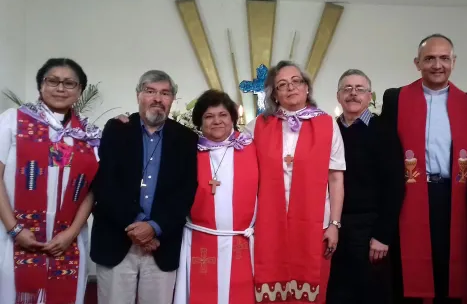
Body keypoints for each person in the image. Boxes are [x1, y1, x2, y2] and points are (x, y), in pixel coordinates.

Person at [381, 34, 467, 303]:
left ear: (453, 61)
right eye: (429, 58)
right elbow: (387, 149)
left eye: (443, 58)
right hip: (409, 194)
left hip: (454, 196)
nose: (437, 65)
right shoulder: (395, 99)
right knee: (409, 268)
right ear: (417, 63)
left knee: (449, 264)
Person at [90, 70, 198, 304]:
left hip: (162, 243)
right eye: (150, 91)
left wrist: (155, 227)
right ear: (138, 95)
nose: (157, 98)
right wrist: (138, 225)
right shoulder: (116, 130)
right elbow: (105, 183)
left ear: (172, 100)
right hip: (117, 239)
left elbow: (186, 190)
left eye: (165, 93)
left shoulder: (186, 138)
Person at [244, 60, 345, 303]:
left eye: (296, 81)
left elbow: (336, 177)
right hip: (268, 224)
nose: (291, 88)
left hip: (315, 223)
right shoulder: (257, 126)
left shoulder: (327, 124)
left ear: (307, 87)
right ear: (274, 94)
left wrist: (334, 224)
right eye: (282, 85)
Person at [0, 58, 100, 304]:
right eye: (52, 81)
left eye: (69, 83)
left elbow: (92, 190)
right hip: (15, 236)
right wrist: (14, 228)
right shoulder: (14, 120)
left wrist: (72, 233)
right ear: (40, 86)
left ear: (79, 90)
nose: (60, 88)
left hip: (68, 242)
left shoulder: (89, 135)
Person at [173, 89, 258, 304]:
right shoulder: (188, 151)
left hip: (242, 241)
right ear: (200, 122)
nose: (217, 121)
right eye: (209, 116)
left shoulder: (252, 148)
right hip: (199, 240)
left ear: (232, 118)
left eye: (223, 115)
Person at [326, 69, 393, 304]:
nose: (353, 94)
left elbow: (394, 186)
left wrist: (382, 235)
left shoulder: (384, 131)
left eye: (360, 89)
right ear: (338, 96)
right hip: (334, 225)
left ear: (369, 96)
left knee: (368, 293)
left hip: (368, 228)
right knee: (335, 291)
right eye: (347, 89)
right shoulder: (329, 131)